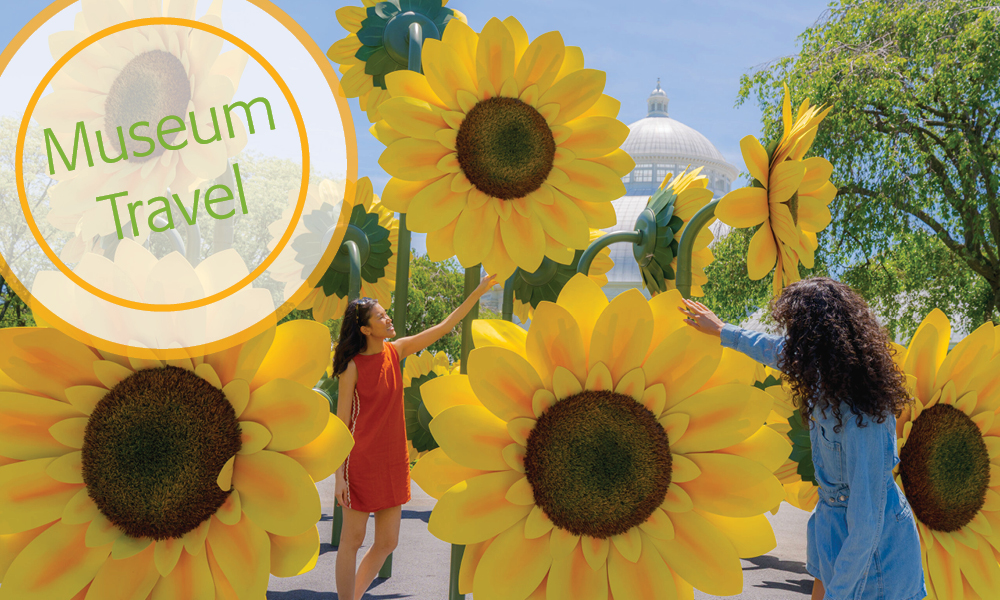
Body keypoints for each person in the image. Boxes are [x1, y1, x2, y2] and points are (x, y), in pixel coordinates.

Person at [679, 277, 925, 600]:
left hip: (877, 557)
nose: (790, 344)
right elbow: (771, 350)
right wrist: (723, 330)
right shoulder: (823, 370)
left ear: (819, 340)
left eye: (797, 335)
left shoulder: (863, 416)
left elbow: (866, 527)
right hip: (834, 529)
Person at [331, 273, 497, 600]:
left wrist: (478, 291)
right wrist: (339, 476)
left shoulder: (397, 351)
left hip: (392, 462)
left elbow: (444, 327)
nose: (387, 317)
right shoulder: (351, 367)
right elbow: (341, 423)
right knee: (352, 541)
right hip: (360, 464)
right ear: (365, 329)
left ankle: (354, 597)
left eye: (385, 313)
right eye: (380, 316)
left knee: (388, 542)